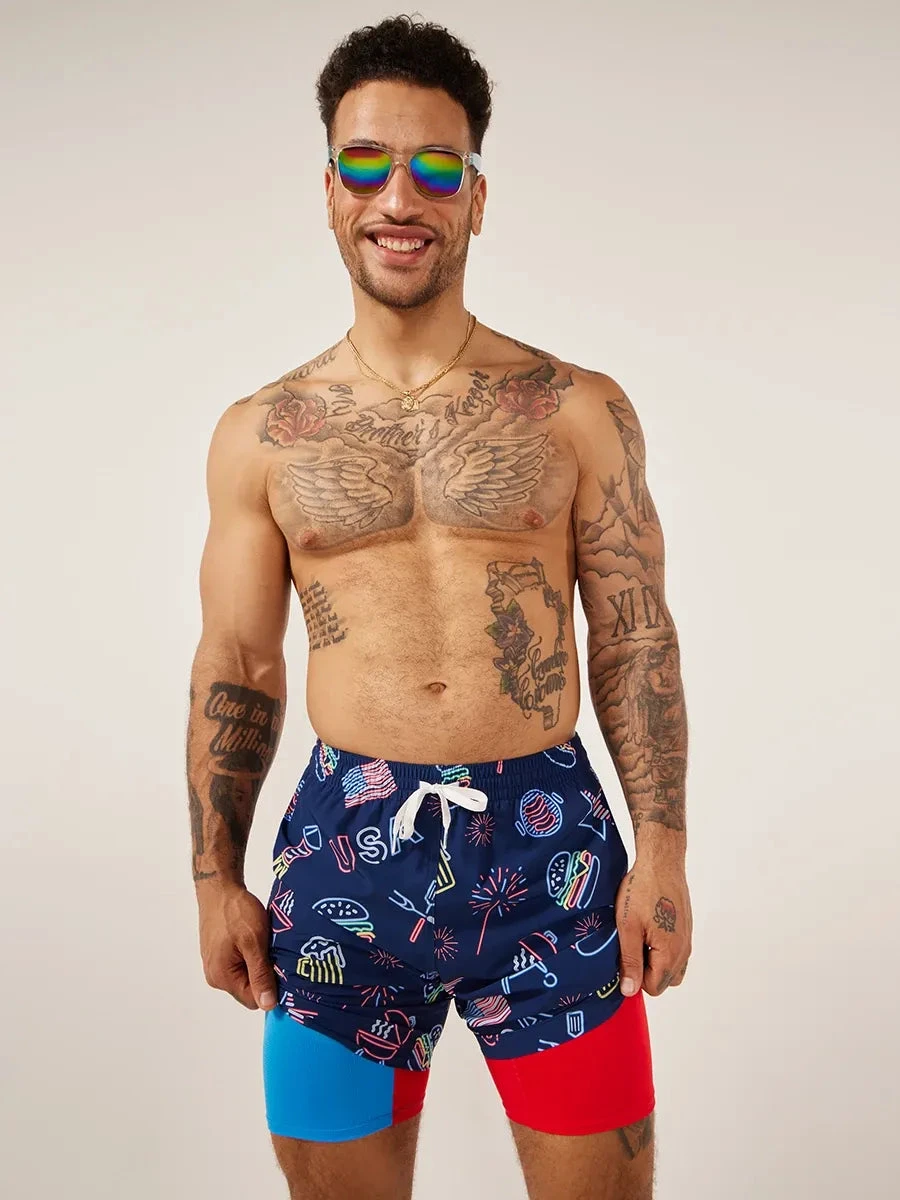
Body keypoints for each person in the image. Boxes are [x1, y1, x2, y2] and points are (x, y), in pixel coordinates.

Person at [185, 14, 691, 1200]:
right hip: (342, 866)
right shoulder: (262, 434)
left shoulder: (576, 409)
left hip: (553, 857)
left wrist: (663, 847)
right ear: (329, 189)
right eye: (366, 163)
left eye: (435, 167)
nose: (399, 196)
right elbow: (239, 660)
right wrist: (213, 878)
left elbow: (634, 636)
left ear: (477, 195)